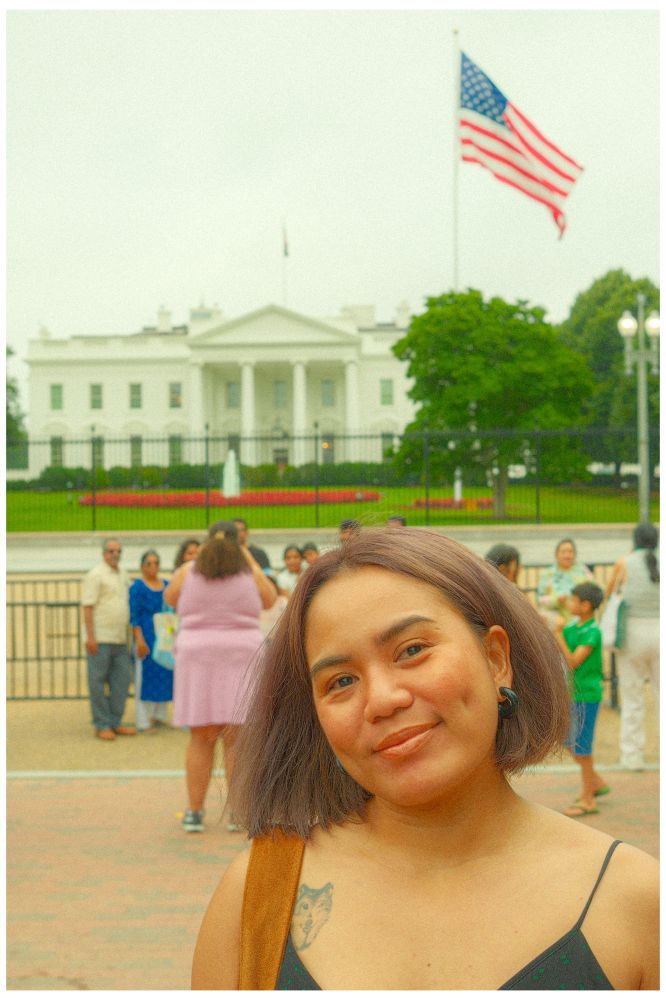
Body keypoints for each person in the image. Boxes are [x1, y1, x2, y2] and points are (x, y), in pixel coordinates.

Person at [192, 528, 658, 990]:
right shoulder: (257, 897)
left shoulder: (637, 903)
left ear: (496, 659)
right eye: (340, 682)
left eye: (412, 651)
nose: (382, 700)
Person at [164, 520, 276, 833]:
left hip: (198, 655)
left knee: (201, 737)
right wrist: (249, 558)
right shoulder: (249, 572)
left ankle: (194, 812)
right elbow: (270, 598)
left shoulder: (188, 571)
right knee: (236, 740)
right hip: (241, 653)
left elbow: (170, 598)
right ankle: (237, 812)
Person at [604, 523, 660, 771]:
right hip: (660, 629)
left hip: (632, 633)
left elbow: (610, 593)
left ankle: (632, 754)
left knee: (632, 695)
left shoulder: (624, 562)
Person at [554, 582, 609, 818]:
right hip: (573, 694)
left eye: (575, 600)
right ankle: (595, 782)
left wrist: (558, 634)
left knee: (583, 747)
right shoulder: (575, 626)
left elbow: (573, 661)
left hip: (587, 695)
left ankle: (588, 799)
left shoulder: (593, 632)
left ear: (585, 606)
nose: (571, 603)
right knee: (568, 741)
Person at [81, 538, 136, 740]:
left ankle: (115, 721)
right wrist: (91, 636)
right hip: (101, 637)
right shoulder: (95, 575)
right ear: (104, 553)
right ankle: (101, 723)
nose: (115, 554)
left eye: (118, 551)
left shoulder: (123, 574)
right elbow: (87, 606)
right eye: (111, 551)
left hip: (120, 637)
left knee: (121, 681)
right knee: (97, 682)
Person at [129, 550, 172, 733]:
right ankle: (143, 720)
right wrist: (139, 639)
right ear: (142, 566)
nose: (152, 567)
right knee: (145, 678)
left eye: (156, 563)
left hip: (164, 635)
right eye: (148, 563)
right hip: (146, 635)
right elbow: (134, 616)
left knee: (164, 674)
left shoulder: (166, 585)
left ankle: (159, 714)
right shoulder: (137, 588)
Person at [537, 538, 592, 628]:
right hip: (555, 614)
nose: (567, 555)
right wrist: (556, 600)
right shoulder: (548, 574)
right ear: (556, 555)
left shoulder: (582, 570)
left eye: (570, 552)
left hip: (579, 614)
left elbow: (593, 589)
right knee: (559, 623)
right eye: (563, 552)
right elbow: (540, 599)